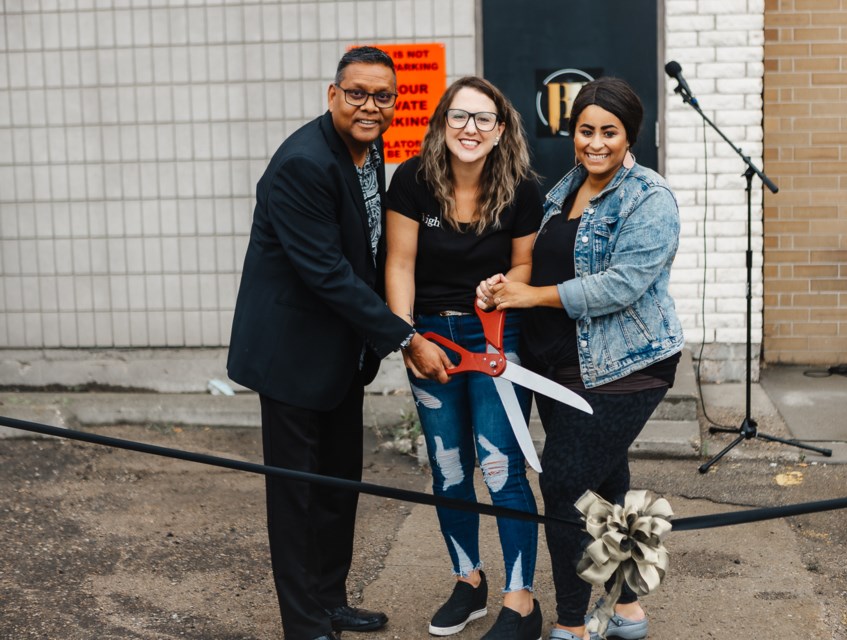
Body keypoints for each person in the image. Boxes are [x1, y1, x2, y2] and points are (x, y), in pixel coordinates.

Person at [227, 46, 451, 640]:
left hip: (339, 357)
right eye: (357, 93)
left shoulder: (367, 150)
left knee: (338, 486)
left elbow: (368, 249)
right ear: (333, 95)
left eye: (382, 96)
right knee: (297, 497)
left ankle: (330, 601)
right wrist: (405, 338)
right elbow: (327, 273)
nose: (369, 106)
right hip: (292, 357)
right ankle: (304, 624)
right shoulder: (304, 163)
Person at [477, 77, 684, 640]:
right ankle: (627, 610)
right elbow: (543, 262)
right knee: (607, 482)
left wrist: (531, 297)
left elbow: (619, 286)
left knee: (564, 485)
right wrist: (505, 285)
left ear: (629, 135)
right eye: (585, 130)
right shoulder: (564, 189)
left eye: (608, 132)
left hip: (624, 367)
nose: (595, 143)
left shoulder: (650, 198)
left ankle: (572, 622)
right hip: (556, 366)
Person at [384, 76, 544, 640]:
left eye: (482, 119)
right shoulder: (411, 180)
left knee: (501, 468)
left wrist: (502, 286)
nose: (469, 129)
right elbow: (399, 266)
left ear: (500, 130)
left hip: (495, 335)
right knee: (450, 469)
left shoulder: (522, 187)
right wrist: (407, 339)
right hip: (430, 336)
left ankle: (520, 600)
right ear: (441, 123)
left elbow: (525, 268)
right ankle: (468, 580)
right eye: (458, 117)